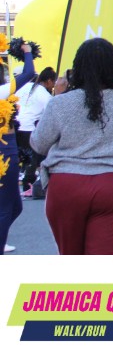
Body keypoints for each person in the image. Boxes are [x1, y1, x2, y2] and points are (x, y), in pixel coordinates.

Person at [30, 39, 113, 254]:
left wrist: (59, 96)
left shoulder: (61, 103)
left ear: (78, 66)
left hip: (67, 184)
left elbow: (39, 144)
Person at [0, 41, 36, 256]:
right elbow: (29, 73)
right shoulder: (2, 91)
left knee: (15, 207)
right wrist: (28, 52)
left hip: (9, 151)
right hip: (4, 154)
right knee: (5, 208)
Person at [15, 67, 57, 197]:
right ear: (49, 81)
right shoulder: (46, 95)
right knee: (31, 159)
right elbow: (50, 115)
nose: (53, 85)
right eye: (53, 82)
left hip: (16, 126)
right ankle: (28, 185)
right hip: (29, 128)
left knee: (18, 157)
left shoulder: (23, 87)